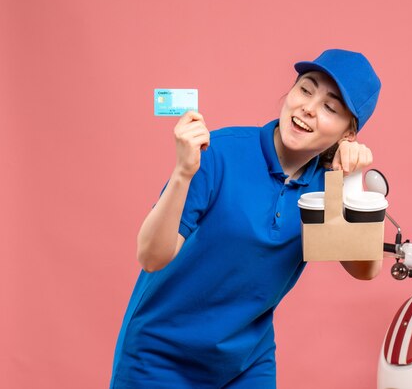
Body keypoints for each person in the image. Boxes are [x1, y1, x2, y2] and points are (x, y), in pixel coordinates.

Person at [110, 49, 382, 388]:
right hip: (160, 356)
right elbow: (151, 257)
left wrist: (351, 183)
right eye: (305, 89)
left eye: (330, 107)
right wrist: (183, 172)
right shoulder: (219, 152)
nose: (308, 108)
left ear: (348, 134)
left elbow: (363, 270)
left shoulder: (327, 185)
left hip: (244, 364)